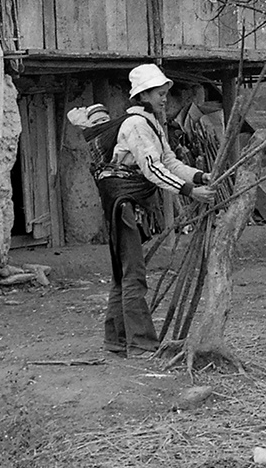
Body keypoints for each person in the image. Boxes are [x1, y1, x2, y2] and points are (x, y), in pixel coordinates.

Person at [89, 63, 215, 356]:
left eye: (164, 93)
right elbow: (153, 169)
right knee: (134, 276)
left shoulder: (153, 125)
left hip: (128, 205)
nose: (164, 99)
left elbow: (169, 162)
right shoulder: (136, 126)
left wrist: (198, 176)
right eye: (159, 93)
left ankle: (116, 339)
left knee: (125, 275)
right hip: (125, 205)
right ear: (143, 95)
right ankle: (141, 344)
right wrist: (190, 191)